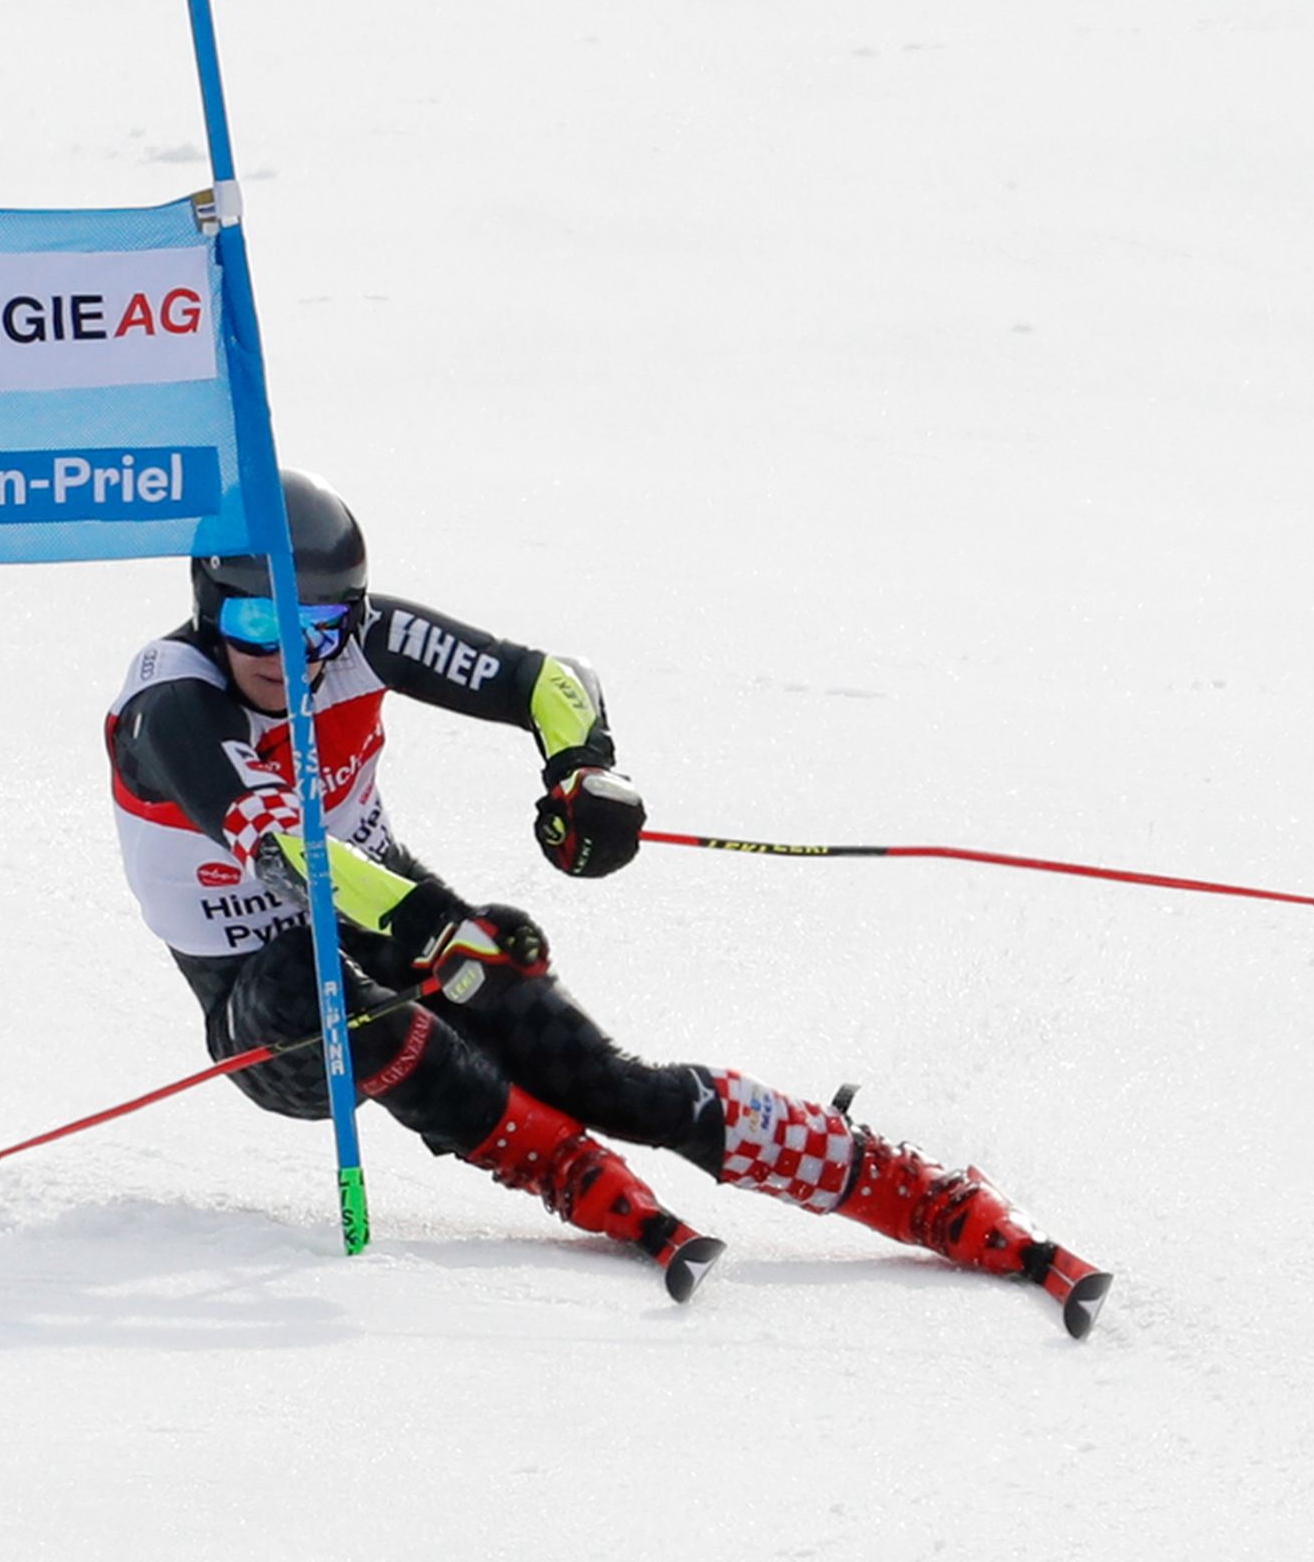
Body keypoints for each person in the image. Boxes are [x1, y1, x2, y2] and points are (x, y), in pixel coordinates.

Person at [104, 470, 1108, 1333]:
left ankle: (904, 1186)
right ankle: (568, 1173)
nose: (283, 651)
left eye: (314, 624)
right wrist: (433, 930)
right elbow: (283, 848)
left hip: (396, 909)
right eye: (251, 620)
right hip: (254, 989)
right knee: (344, 1004)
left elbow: (548, 681)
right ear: (207, 603)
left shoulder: (365, 640)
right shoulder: (171, 706)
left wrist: (581, 773)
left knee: (608, 1083)